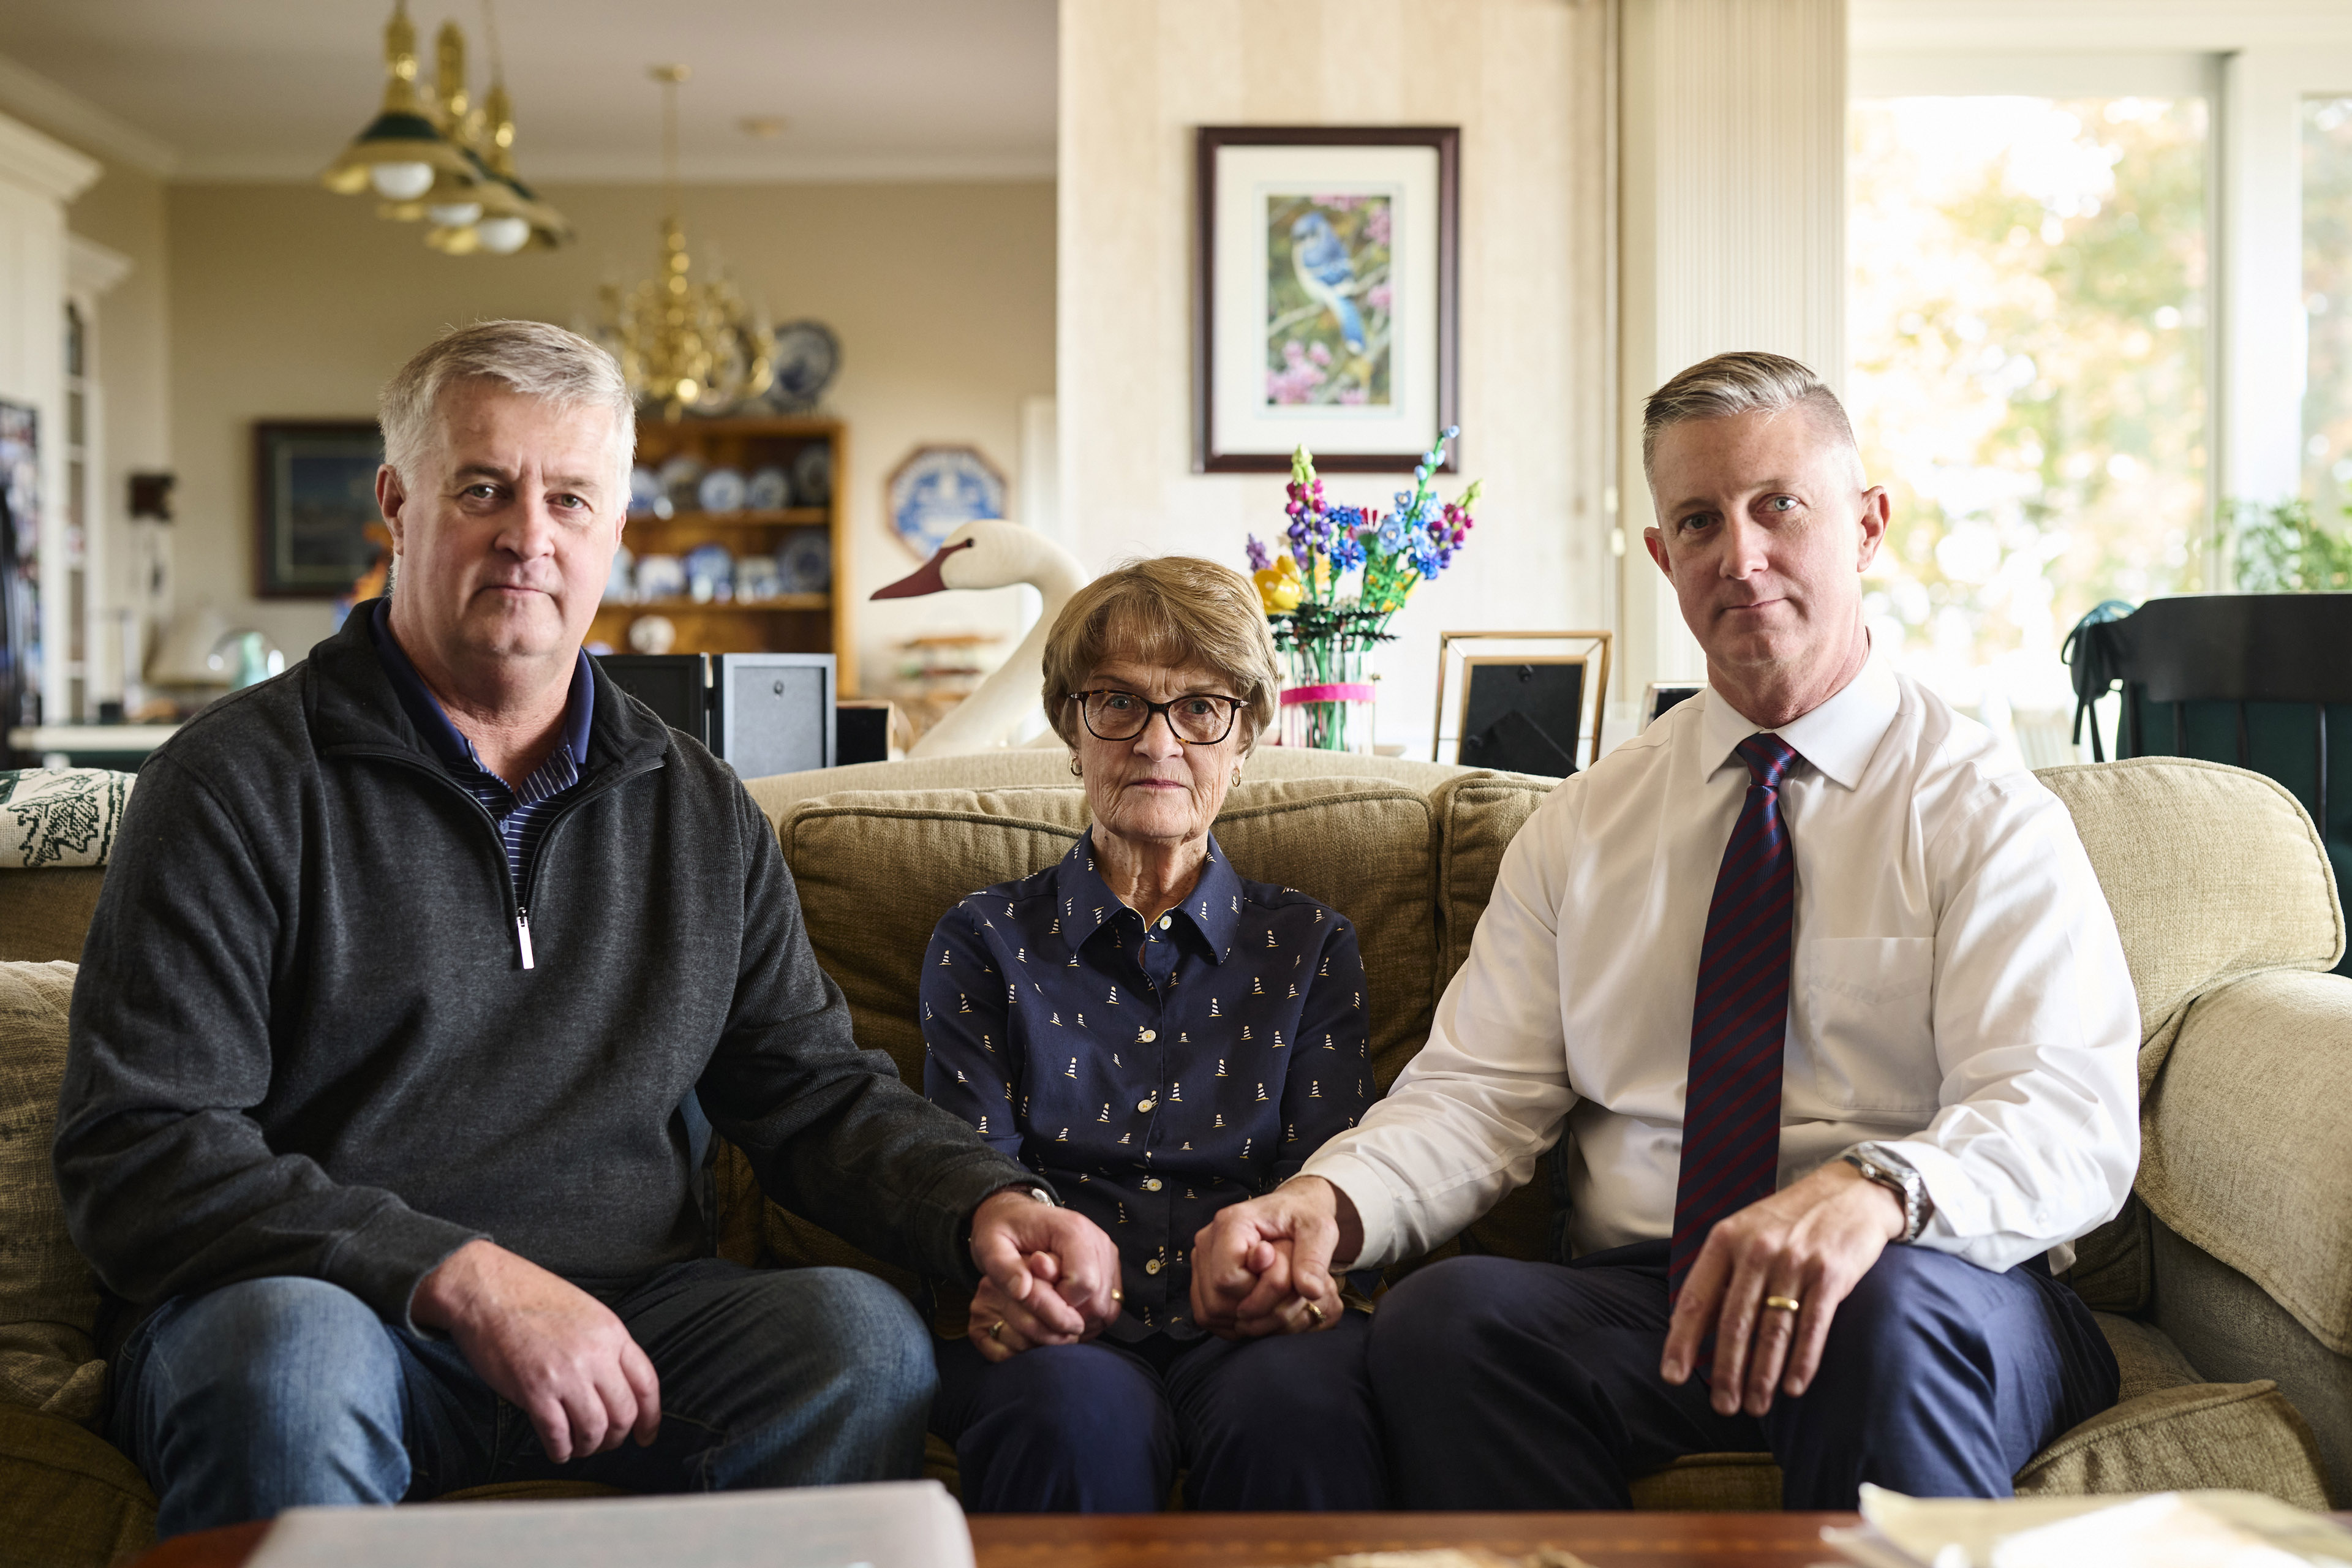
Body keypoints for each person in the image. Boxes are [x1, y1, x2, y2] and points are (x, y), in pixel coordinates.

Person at [51, 320, 1118, 1539]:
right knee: (288, 1357)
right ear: (399, 504)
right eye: (485, 489)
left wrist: (986, 1203)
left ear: (618, 529)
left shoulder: (696, 807)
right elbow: (141, 1146)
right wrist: (454, 1273)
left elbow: (812, 1093)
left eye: (571, 497)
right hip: (323, 1309)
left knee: (856, 1342)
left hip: (627, 1318)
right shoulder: (236, 781)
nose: (530, 535)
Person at [1191, 350, 2137, 1510]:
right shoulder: (1586, 825)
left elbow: (2068, 1114)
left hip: (1934, 1279)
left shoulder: (1983, 810)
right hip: (1659, 1291)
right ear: (1662, 557)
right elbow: (1475, 1096)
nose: (1741, 557)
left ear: (1868, 525)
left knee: (1882, 1314)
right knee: (1449, 1318)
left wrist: (1873, 1193)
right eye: (1699, 521)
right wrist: (1325, 1208)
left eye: (1779, 506)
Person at [922, 557, 1387, 1512]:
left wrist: (1301, 1269)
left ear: (1247, 735)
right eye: (1118, 705)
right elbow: (975, 1173)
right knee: (1063, 1419)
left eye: (1201, 709)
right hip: (1064, 1333)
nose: (1157, 742)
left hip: (1252, 1334)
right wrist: (1014, 1275)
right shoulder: (984, 940)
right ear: (1070, 729)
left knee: (1303, 1412)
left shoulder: (1309, 946)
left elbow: (1326, 1176)